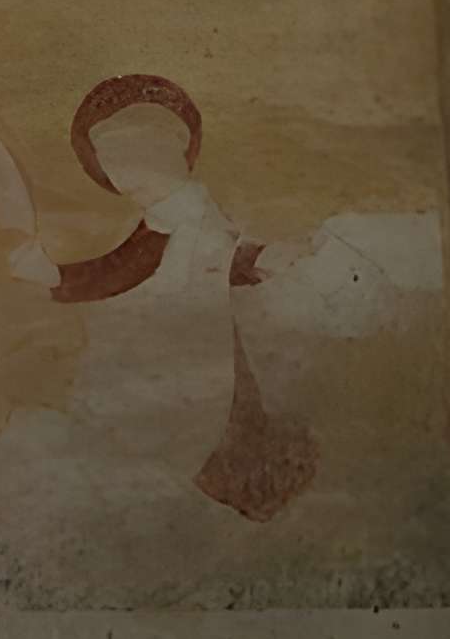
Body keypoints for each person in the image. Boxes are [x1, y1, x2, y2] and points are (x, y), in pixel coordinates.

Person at [49, 74, 316, 524]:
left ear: (171, 155)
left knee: (207, 416)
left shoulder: (182, 214)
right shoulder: (167, 217)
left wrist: (257, 259)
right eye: (112, 161)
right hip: (180, 335)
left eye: (135, 156)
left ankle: (244, 479)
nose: (124, 173)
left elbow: (132, 268)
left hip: (189, 341)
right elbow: (124, 267)